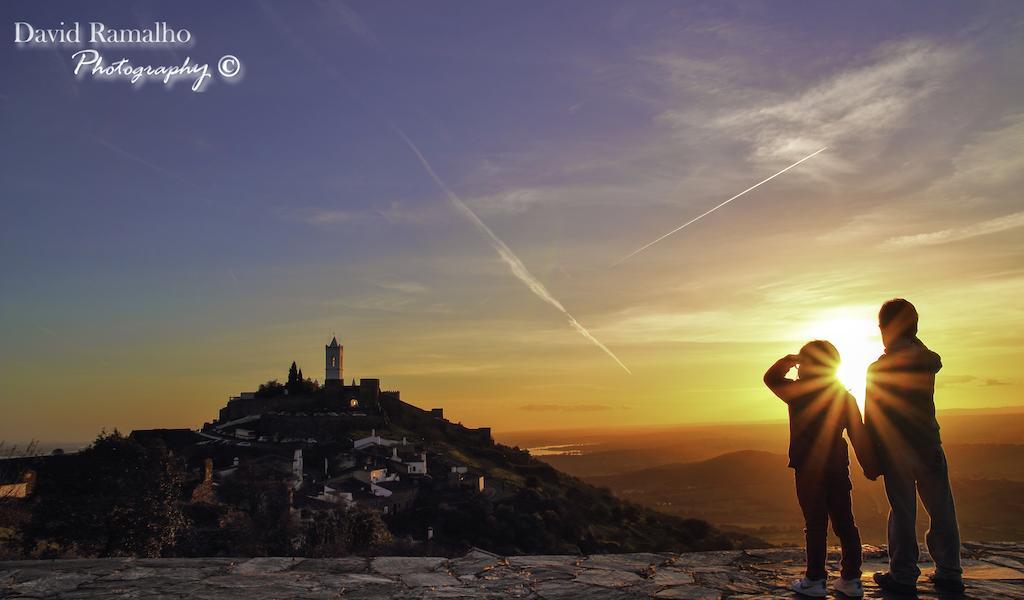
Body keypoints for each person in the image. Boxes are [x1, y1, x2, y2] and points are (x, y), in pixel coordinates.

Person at [864, 299, 964, 595]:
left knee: (903, 513)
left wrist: (872, 456)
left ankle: (904, 574)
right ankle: (949, 571)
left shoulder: (879, 368)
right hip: (929, 445)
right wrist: (911, 334)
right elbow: (931, 355)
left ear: (886, 329)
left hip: (896, 451)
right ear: (914, 328)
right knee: (942, 509)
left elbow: (873, 416)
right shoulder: (927, 361)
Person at [764, 340, 868, 598]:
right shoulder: (845, 397)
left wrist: (790, 359)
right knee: (845, 521)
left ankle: (815, 579)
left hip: (808, 466)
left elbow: (770, 378)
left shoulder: (799, 392)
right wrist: (871, 466)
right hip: (836, 464)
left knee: (816, 523)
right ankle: (852, 579)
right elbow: (859, 435)